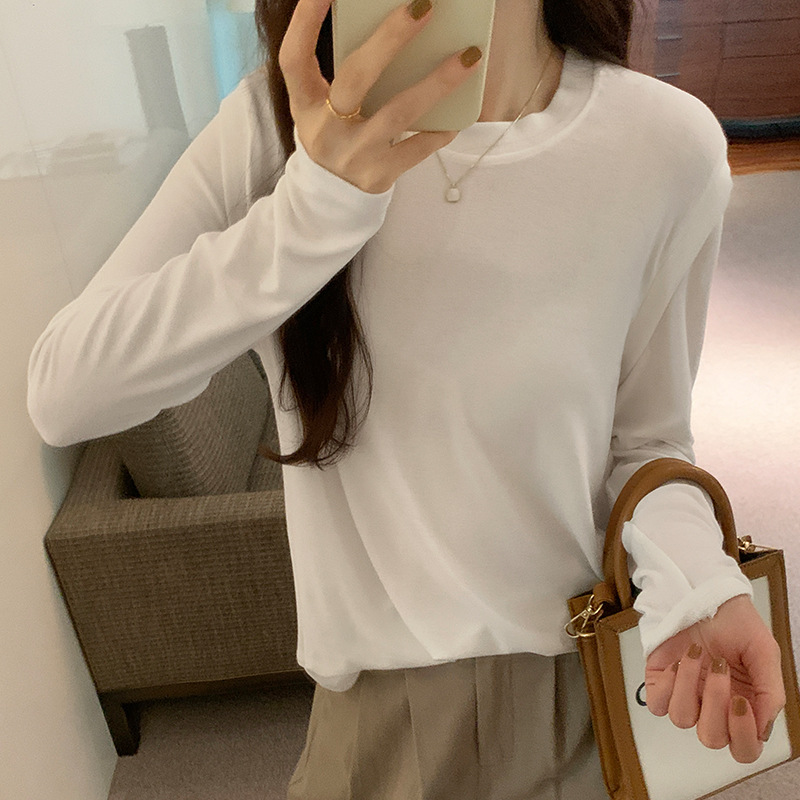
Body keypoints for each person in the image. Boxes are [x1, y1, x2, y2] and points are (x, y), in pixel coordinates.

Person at [27, 0, 786, 797]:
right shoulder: (280, 124)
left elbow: (649, 442)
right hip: (371, 731)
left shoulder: (666, 146)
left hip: (585, 695)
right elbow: (68, 392)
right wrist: (313, 209)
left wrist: (695, 577)